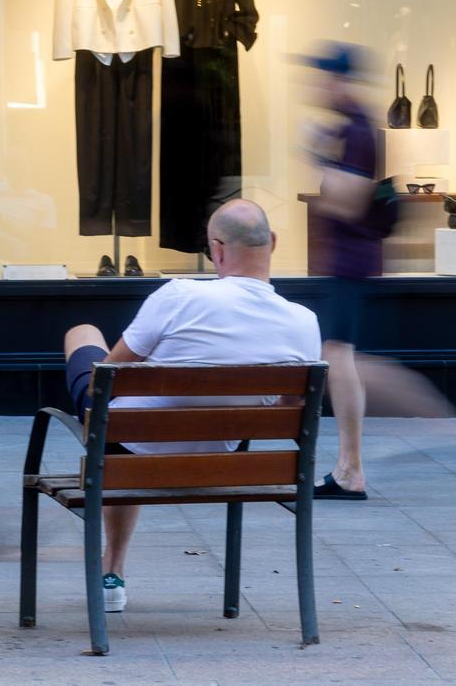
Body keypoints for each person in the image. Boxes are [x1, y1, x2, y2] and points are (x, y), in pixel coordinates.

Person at [62, 199, 321, 613]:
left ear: (216, 249)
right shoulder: (304, 321)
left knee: (84, 335)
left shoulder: (179, 294)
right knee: (128, 420)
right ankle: (112, 567)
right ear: (272, 243)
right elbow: (289, 413)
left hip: (132, 449)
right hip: (222, 459)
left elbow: (106, 379)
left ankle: (112, 570)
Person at [303, 42, 382, 501]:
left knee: (340, 358)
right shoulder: (351, 128)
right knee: (340, 356)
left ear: (339, 80)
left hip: (352, 262)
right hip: (350, 262)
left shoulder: (355, 130)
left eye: (321, 77)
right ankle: (349, 467)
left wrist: (320, 160)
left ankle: (351, 470)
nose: (315, 86)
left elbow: (347, 203)